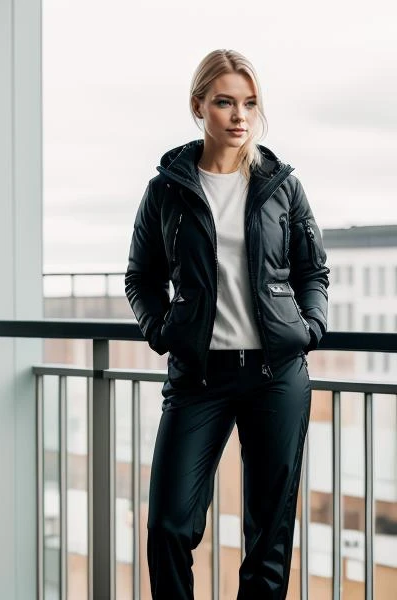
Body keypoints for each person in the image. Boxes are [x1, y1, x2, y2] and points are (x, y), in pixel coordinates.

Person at [124, 49, 330, 599]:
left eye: (249, 103)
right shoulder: (166, 190)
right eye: (224, 102)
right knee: (168, 524)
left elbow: (314, 269)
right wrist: (160, 330)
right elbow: (140, 277)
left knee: (268, 537)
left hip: (276, 374)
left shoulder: (280, 185)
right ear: (199, 107)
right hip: (198, 378)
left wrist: (309, 328)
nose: (240, 116)